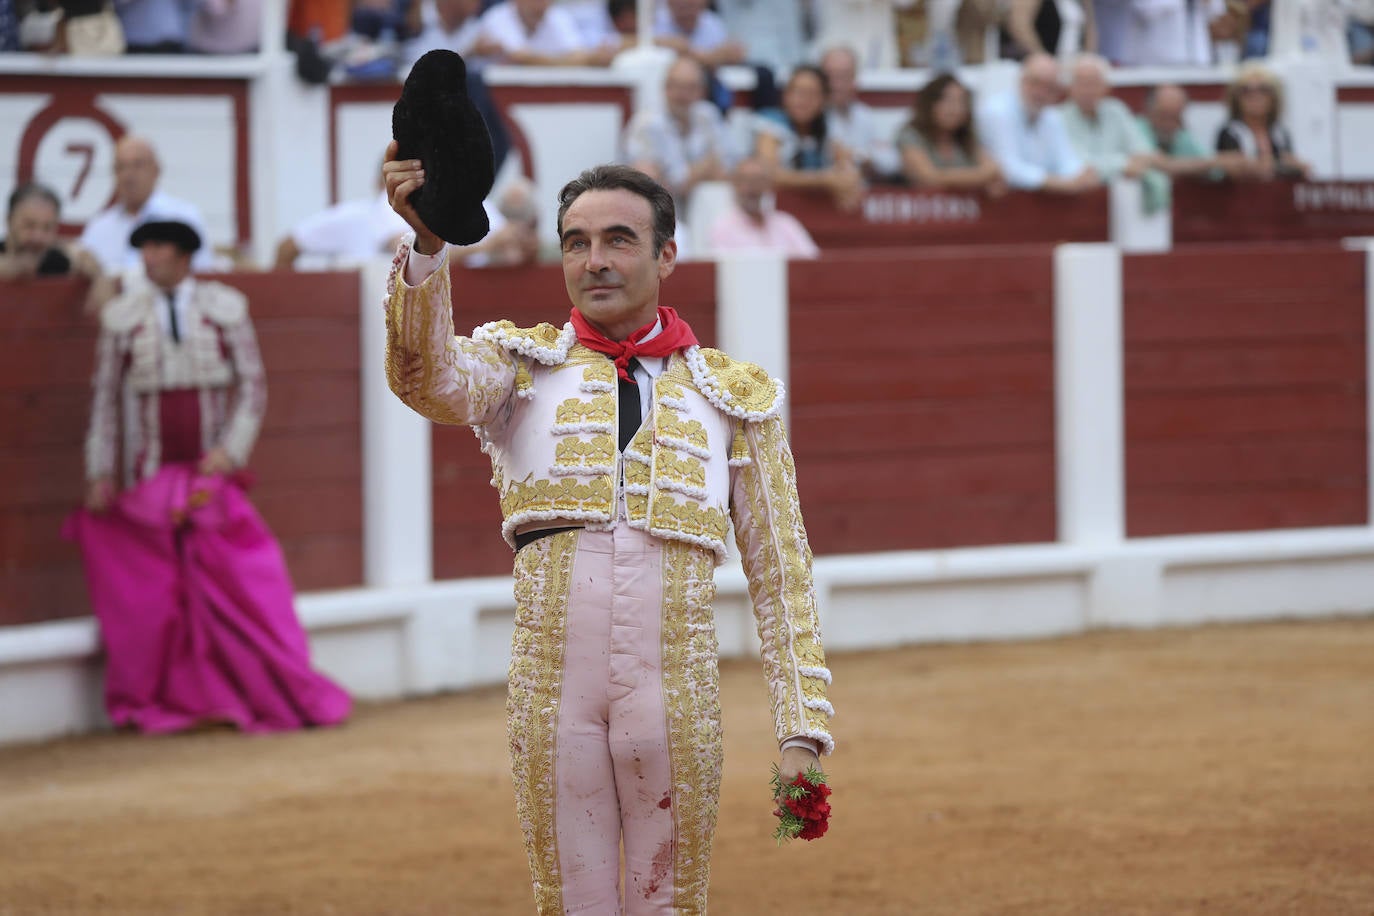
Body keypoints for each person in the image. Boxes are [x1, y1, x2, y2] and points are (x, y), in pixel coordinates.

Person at [380, 151, 833, 913]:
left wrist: (803, 729)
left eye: (619, 239)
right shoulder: (519, 372)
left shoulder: (733, 398)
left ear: (666, 255)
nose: (595, 261)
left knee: (669, 903)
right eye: (576, 241)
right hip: (554, 701)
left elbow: (780, 575)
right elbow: (424, 376)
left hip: (675, 700)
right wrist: (428, 246)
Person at [68, 217, 351, 734]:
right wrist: (99, 472)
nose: (148, 257)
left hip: (208, 479)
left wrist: (229, 452)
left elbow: (253, 387)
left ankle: (238, 695)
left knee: (244, 590)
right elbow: (106, 402)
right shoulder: (121, 317)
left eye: (157, 247)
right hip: (147, 483)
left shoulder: (223, 308)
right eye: (145, 248)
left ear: (183, 256)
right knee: (154, 602)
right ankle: (171, 700)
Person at [79, 135, 214, 275]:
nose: (128, 175)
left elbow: (202, 273)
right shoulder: (98, 228)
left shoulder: (183, 217)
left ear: (156, 170)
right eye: (120, 167)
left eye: (137, 165)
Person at [622, 55, 735, 218]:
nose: (683, 95)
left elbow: (727, 167)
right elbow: (652, 185)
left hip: (704, 211)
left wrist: (692, 177)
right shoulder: (646, 124)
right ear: (665, 88)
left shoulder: (708, 115)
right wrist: (702, 170)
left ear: (702, 91)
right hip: (659, 218)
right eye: (677, 87)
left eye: (691, 88)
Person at [976, 52, 1099, 193]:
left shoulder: (1051, 116)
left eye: (1049, 87)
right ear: (1022, 80)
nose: (1041, 92)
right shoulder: (997, 111)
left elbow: (1065, 160)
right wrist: (1057, 183)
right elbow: (1007, 168)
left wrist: (1082, 174)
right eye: (1036, 83)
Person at [1057, 54, 1165, 208]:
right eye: (1081, 84)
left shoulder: (1116, 110)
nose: (1087, 91)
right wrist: (1123, 165)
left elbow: (1144, 153)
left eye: (1093, 84)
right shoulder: (1057, 118)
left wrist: (1131, 163)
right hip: (1074, 206)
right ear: (1069, 88)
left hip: (1123, 205)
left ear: (1105, 87)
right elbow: (1078, 165)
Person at [753, 65, 864, 210]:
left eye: (811, 94)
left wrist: (847, 180)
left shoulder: (828, 127)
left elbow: (847, 169)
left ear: (825, 99)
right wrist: (824, 180)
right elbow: (770, 175)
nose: (802, 100)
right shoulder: (771, 124)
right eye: (796, 92)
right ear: (785, 95)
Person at [897, 72, 1005, 194]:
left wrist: (987, 179)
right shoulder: (911, 135)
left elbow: (994, 172)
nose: (955, 109)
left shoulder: (966, 138)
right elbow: (928, 178)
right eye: (948, 101)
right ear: (930, 104)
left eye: (961, 102)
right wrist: (981, 177)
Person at [1215, 62, 1312, 181]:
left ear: (1274, 97)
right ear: (1236, 98)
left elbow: (1295, 168)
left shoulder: (1280, 133)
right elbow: (1234, 170)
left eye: (1263, 90)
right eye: (1246, 91)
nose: (1255, 96)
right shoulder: (1230, 132)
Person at [708, 156, 820, 258]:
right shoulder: (723, 227)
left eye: (758, 180)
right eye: (745, 180)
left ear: (768, 185)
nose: (751, 188)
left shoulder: (787, 224)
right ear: (735, 184)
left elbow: (812, 262)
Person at [820, 45, 901, 182]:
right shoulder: (810, 113)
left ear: (854, 79)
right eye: (830, 76)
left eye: (843, 76)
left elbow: (892, 161)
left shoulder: (863, 114)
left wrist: (857, 155)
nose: (835, 85)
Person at [471, 0, 616, 66]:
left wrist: (587, 59)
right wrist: (585, 61)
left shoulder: (558, 16)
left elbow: (579, 53)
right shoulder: (497, 17)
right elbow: (520, 57)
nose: (540, 5)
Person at [1137, 84, 1220, 179]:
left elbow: (1216, 170)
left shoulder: (1181, 135)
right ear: (1147, 111)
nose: (1169, 124)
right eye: (1164, 116)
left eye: (1175, 118)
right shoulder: (1134, 131)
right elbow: (1151, 165)